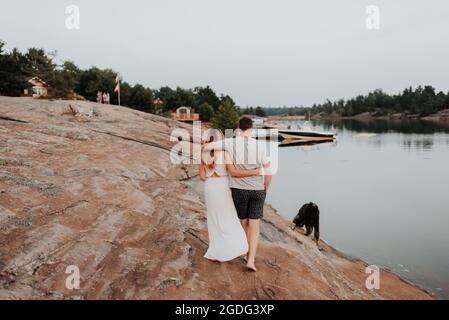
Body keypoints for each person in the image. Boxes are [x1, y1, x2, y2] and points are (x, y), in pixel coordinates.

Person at [204, 117, 272, 271]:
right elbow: (268, 170)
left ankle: (244, 250)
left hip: (239, 191)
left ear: (238, 128)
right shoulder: (260, 146)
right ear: (251, 128)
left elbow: (208, 146)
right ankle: (251, 260)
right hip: (257, 190)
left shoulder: (229, 142)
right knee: (254, 225)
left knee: (243, 222)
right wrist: (266, 187)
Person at [200, 131, 262, 262]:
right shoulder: (225, 153)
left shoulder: (203, 154)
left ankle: (216, 249)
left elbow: (202, 176)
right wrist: (255, 172)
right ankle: (235, 247)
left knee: (214, 219)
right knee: (229, 217)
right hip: (223, 187)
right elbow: (234, 172)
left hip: (210, 187)